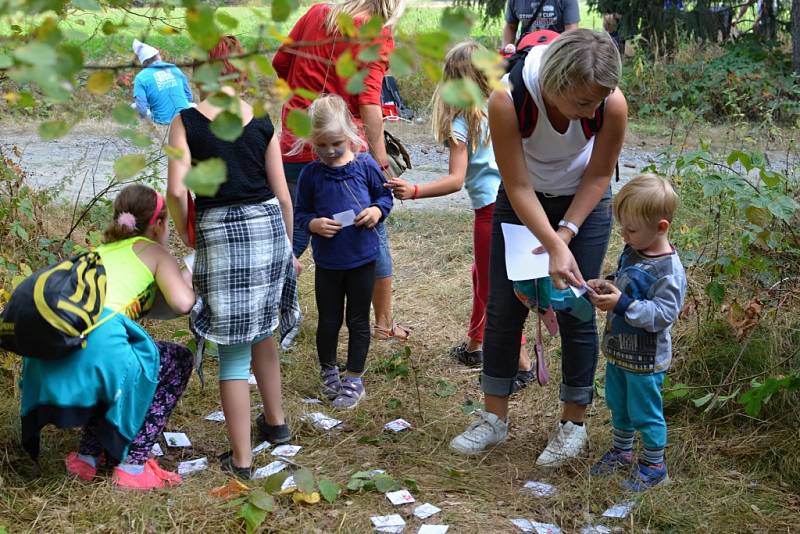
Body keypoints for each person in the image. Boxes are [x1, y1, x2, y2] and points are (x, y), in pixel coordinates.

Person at [449, 29, 627, 466]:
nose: (594, 109)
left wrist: (564, 238)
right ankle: (493, 418)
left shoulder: (611, 103)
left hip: (584, 199)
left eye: (599, 101)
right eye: (584, 103)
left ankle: (573, 424)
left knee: (575, 307)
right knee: (505, 307)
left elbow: (601, 175)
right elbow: (518, 184)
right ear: (554, 85)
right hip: (523, 199)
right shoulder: (508, 100)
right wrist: (549, 241)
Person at [166, 36, 295, 479]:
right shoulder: (260, 119)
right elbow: (282, 196)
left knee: (234, 356)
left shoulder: (186, 122)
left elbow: (177, 192)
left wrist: (189, 236)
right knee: (265, 331)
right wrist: (290, 251)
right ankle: (276, 425)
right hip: (268, 231)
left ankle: (241, 460)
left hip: (221, 231)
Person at [20, 184, 196, 490]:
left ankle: (87, 458)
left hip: (56, 355)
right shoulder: (153, 251)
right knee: (175, 360)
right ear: (160, 224)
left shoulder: (95, 253)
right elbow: (182, 303)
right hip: (97, 354)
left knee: (115, 361)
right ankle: (133, 464)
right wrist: (194, 266)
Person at [385, 40, 535, 391]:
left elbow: (455, 180)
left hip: (490, 211)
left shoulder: (464, 121)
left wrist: (416, 191)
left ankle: (523, 365)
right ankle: (475, 346)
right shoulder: (502, 105)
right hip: (517, 202)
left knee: (495, 287)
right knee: (482, 277)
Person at [272, 0, 410, 341]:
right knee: (370, 228)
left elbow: (280, 62)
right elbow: (368, 100)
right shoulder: (376, 33)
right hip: (344, 150)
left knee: (292, 231)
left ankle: (262, 313)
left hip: (297, 139)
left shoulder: (317, 13)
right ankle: (383, 324)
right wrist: (379, 162)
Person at [294, 94, 393, 409]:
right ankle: (329, 371)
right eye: (320, 145)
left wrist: (377, 211)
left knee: (358, 319)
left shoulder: (365, 166)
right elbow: (301, 213)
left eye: (336, 143)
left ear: (351, 135)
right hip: (328, 263)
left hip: (362, 258)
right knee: (329, 319)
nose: (329, 151)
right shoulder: (312, 174)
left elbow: (384, 197)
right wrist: (313, 225)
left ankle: (354, 377)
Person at [587, 174, 686, 490]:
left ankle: (655, 465)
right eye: (622, 227)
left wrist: (622, 303)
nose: (624, 235)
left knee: (645, 411)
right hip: (620, 350)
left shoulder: (668, 271)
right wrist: (609, 285)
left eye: (631, 229)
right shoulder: (634, 249)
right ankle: (622, 451)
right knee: (618, 402)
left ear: (661, 227)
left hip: (646, 359)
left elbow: (663, 315)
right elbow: (627, 281)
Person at [131, 39, 194, 125]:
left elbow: (142, 109)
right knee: (193, 105)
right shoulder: (174, 68)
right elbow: (189, 97)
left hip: (161, 121)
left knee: (134, 106)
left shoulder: (140, 77)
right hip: (184, 116)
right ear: (158, 55)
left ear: (143, 62)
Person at [502, 0, 580, 53]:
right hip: (525, 53)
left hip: (554, 53)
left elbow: (571, 32)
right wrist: (505, 52)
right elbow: (510, 26)